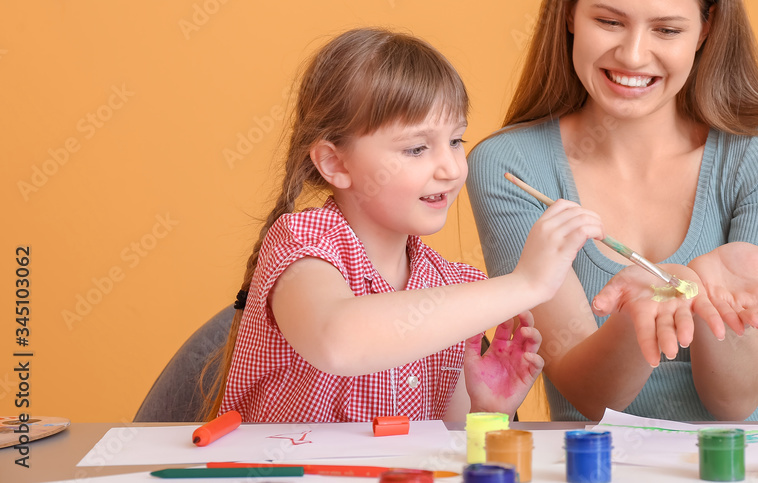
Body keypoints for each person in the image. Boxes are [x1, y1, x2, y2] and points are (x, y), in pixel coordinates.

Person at [467, 0, 758, 422]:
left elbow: (735, 401)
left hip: (753, 463)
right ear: (570, 13)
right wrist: (642, 308)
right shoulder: (511, 169)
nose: (634, 55)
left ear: (705, 30)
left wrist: (705, 294)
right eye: (610, 22)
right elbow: (586, 397)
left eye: (667, 29)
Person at [203, 28, 604, 422]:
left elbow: (439, 451)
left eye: (456, 141)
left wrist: (486, 412)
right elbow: (338, 340)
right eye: (416, 148)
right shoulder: (303, 243)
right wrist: (525, 284)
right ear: (335, 163)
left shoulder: (452, 288)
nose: (451, 168)